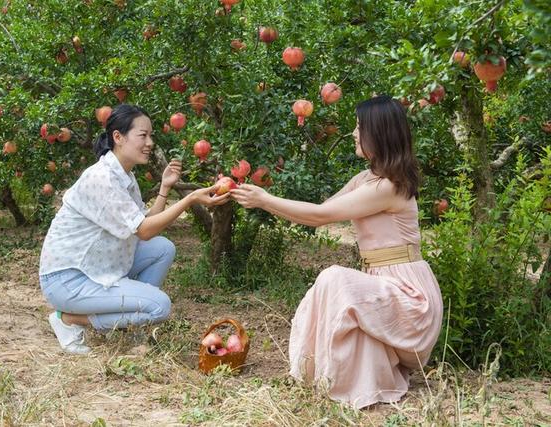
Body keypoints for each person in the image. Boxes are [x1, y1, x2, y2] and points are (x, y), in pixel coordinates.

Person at [230, 95, 443, 408]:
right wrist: (263, 199)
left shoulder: (390, 186)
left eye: (360, 127)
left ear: (379, 132)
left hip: (411, 298)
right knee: (335, 285)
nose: (354, 133)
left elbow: (319, 216)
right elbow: (321, 211)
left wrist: (265, 200)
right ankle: (324, 375)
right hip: (385, 286)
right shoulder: (365, 180)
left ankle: (330, 375)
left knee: (335, 279)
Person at [39, 104, 230, 354]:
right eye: (143, 135)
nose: (150, 142)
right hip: (67, 279)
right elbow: (144, 231)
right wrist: (190, 199)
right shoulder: (102, 178)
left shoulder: (124, 176)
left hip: (94, 269)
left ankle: (131, 327)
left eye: (151, 135)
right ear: (118, 137)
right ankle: (69, 319)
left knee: (162, 248)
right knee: (159, 306)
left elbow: (144, 221)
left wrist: (165, 188)